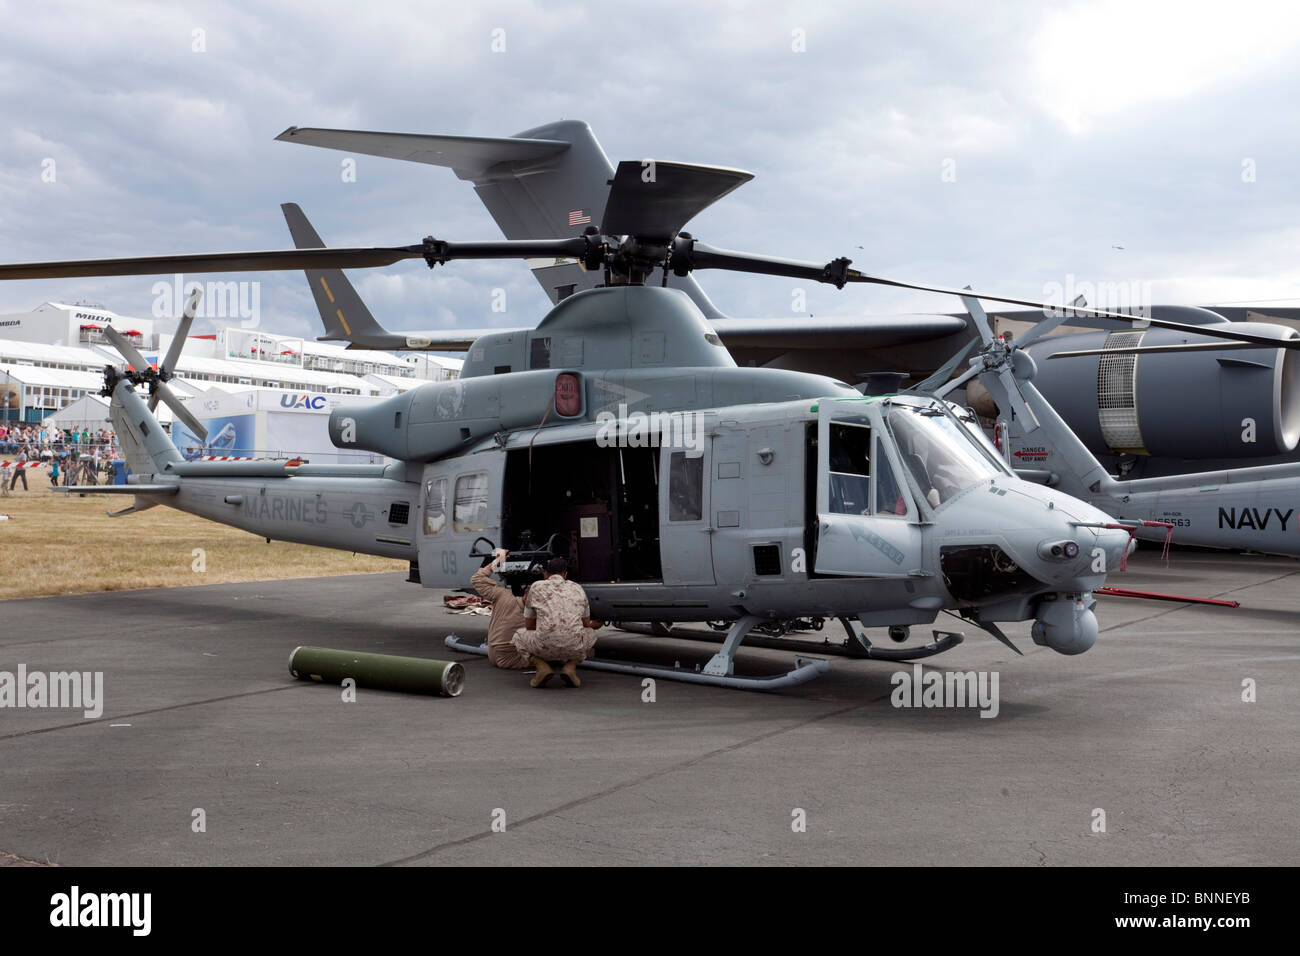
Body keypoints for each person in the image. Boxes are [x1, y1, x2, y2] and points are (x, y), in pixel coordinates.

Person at [511, 556, 603, 688]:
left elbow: (529, 626)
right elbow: (586, 624)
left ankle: (541, 667)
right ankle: (570, 667)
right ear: (565, 575)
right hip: (574, 647)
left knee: (518, 636)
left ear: (546, 574)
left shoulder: (536, 587)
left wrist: (549, 627)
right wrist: (596, 624)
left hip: (543, 646)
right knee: (590, 633)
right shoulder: (578, 588)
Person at [469, 549, 530, 671]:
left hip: (493, 655)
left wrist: (498, 561)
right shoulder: (540, 610)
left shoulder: (503, 596)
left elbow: (477, 579)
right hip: (513, 659)